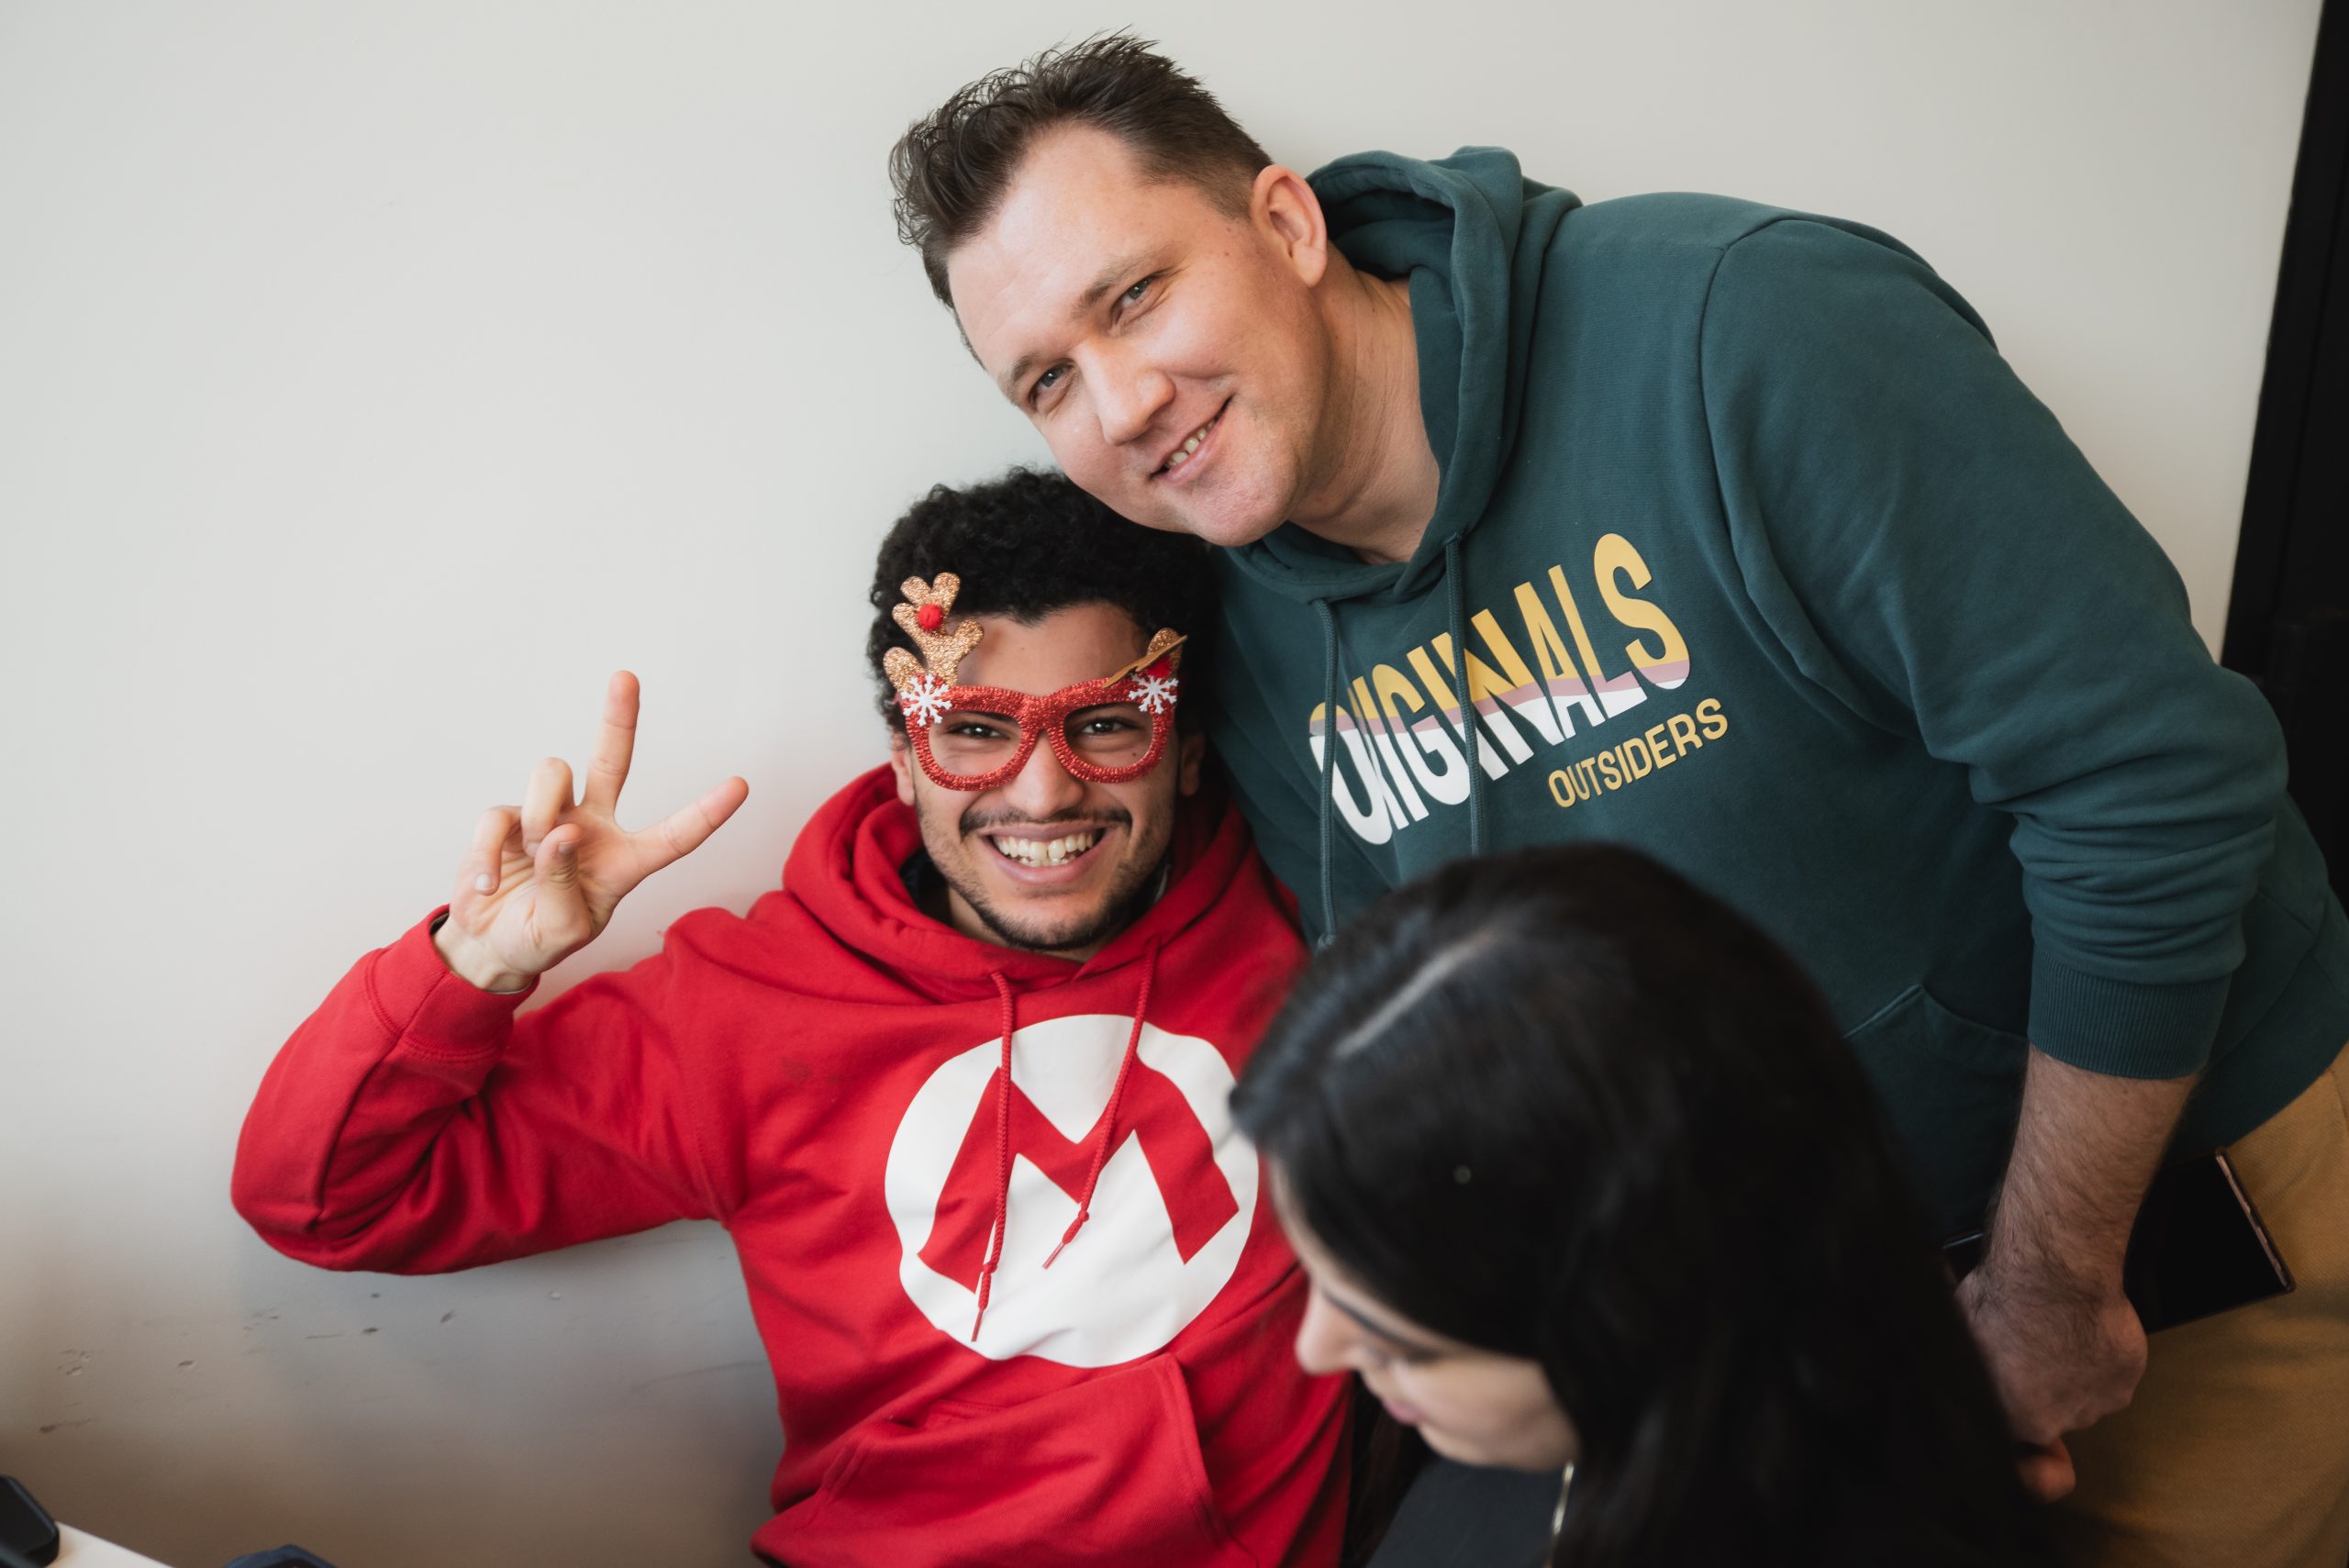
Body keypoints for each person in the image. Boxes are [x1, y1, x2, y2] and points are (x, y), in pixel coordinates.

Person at [886, 34, 2349, 1567]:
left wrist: (2052, 1284)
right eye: (1047, 378)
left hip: (2177, 1226)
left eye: (1134, 295)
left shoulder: (1747, 330)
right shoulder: (1238, 632)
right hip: (1819, 1357)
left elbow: (2153, 789)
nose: (1120, 401)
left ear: (1288, 224)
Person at [230, 469, 1349, 1568]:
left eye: (1104, 724)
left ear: (1186, 751)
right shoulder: (748, 1006)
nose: (1042, 791)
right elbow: (322, 1203)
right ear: (904, 762)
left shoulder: (1299, 903)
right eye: (972, 730)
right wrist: (476, 966)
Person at [1229, 844, 2057, 1568]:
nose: (1315, 1349)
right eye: (1321, 1277)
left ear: (1636, 1310)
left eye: (1404, 1344)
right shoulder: (1529, 1441)